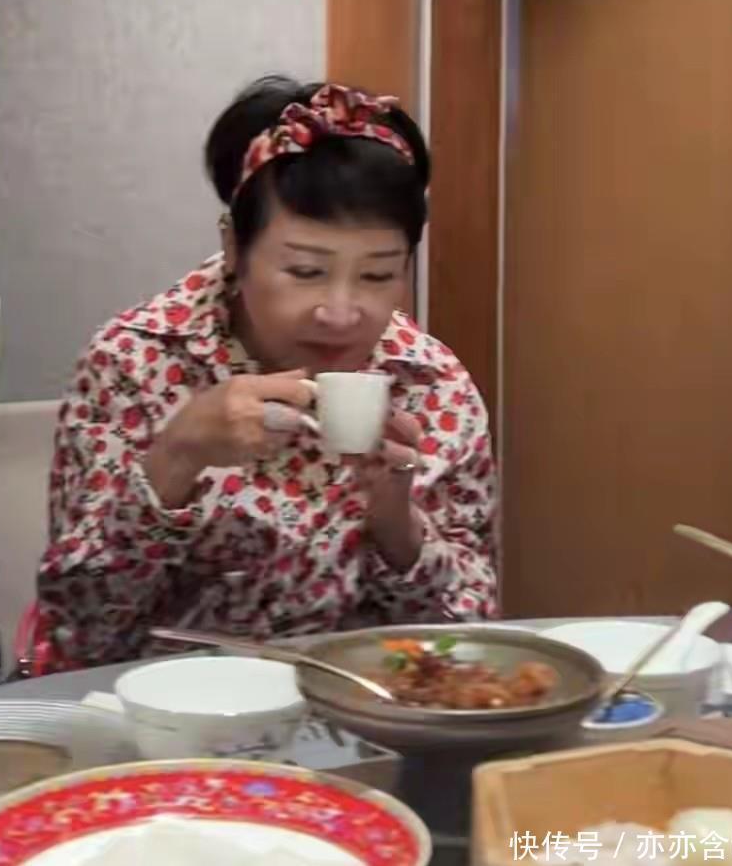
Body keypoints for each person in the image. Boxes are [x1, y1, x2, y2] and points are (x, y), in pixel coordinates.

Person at [34, 76, 498, 672]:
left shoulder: (432, 386)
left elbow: (469, 639)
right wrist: (176, 458)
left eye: (378, 276)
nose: (340, 312)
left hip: (361, 708)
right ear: (234, 246)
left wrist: (396, 526)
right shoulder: (134, 362)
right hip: (165, 710)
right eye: (305, 272)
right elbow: (82, 632)